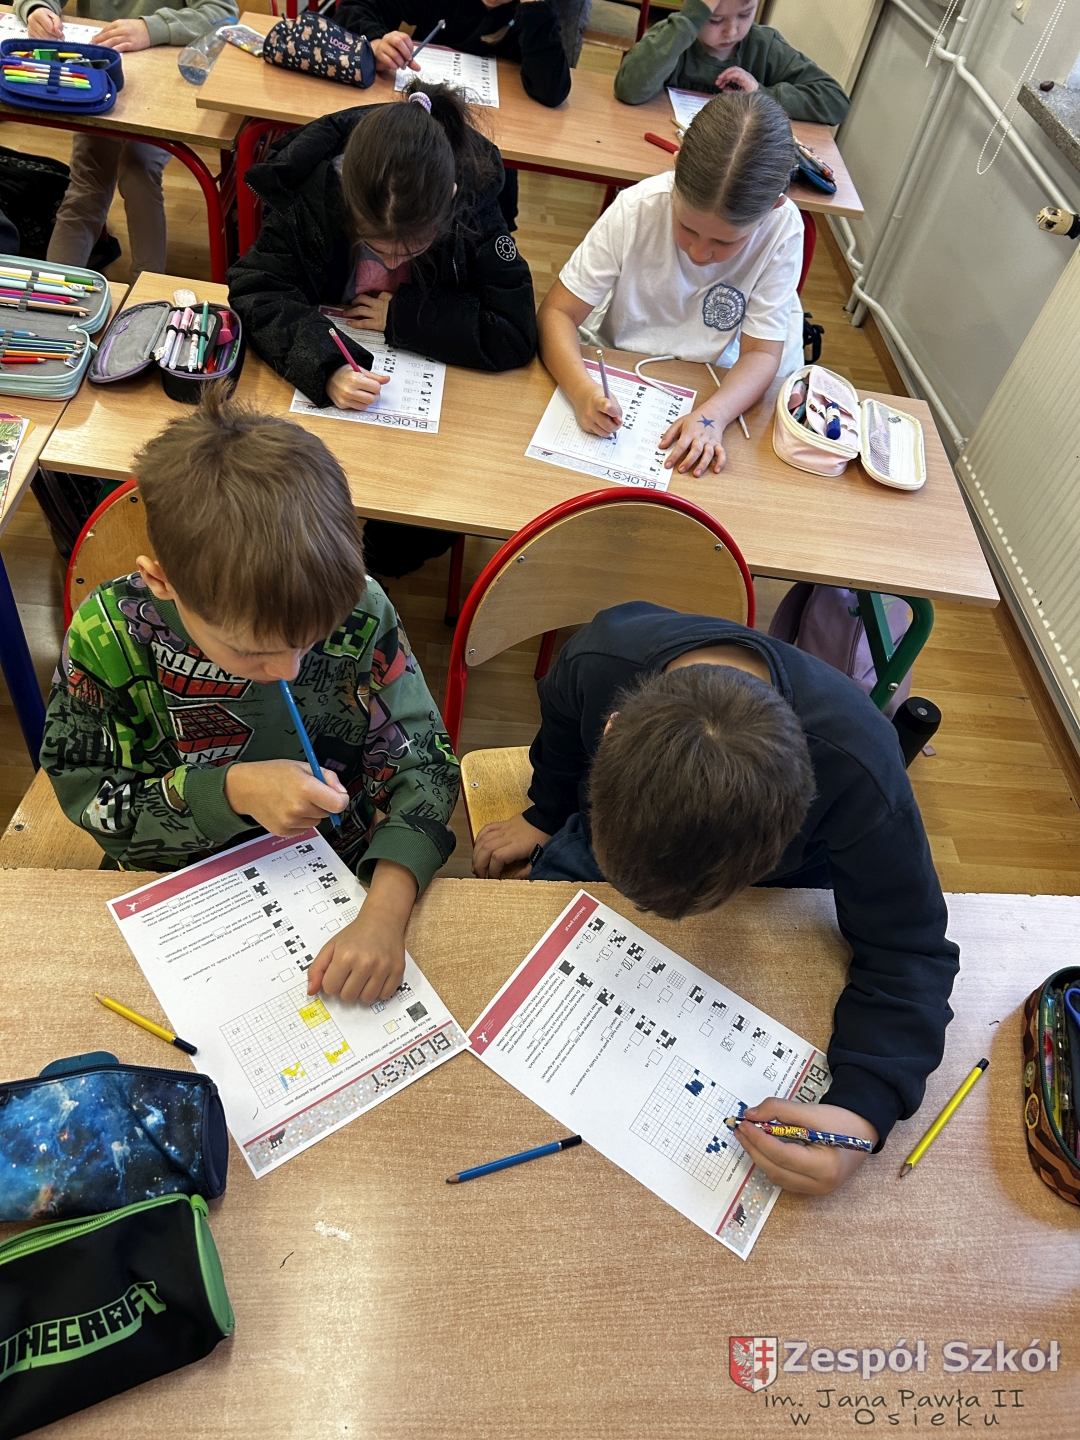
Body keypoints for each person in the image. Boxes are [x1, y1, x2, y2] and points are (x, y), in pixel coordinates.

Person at [470, 601, 960, 1195]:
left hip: (778, 895)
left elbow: (910, 951)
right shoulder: (600, 656)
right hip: (625, 838)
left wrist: (862, 1111)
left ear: (802, 814)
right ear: (610, 730)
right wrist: (546, 813)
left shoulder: (862, 769)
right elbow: (561, 721)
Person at [40, 389, 461, 1005]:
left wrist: (384, 912)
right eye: (251, 651)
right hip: (180, 890)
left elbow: (424, 765)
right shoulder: (109, 636)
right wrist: (232, 791)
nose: (288, 669)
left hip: (346, 877)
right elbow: (94, 799)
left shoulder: (361, 607)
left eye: (310, 641)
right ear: (162, 581)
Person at [228, 82, 537, 577]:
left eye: (411, 248)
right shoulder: (315, 189)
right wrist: (326, 365)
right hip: (322, 402)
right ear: (346, 198)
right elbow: (258, 288)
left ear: (450, 200)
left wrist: (405, 316)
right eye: (375, 244)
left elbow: (513, 330)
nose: (392, 261)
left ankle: (368, 577)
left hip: (433, 414)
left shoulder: (475, 202)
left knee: (428, 515)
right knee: (275, 501)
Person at [537, 90, 802, 480]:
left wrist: (713, 417)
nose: (699, 252)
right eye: (687, 228)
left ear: (773, 207)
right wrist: (581, 390)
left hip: (716, 380)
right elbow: (557, 312)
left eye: (725, 242)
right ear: (676, 170)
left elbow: (761, 353)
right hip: (623, 358)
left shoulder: (783, 229)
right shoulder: (637, 208)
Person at [16, 0, 239, 277]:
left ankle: (145, 292)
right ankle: (52, 293)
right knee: (87, 184)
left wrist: (152, 28)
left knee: (137, 168)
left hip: (163, 85)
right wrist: (37, 8)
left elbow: (223, 13)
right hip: (104, 83)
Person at [337, 0, 572, 228]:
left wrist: (535, 8)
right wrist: (376, 43)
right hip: (414, 139)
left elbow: (551, 91)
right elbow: (354, 8)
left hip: (487, 154)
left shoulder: (533, 11)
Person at [614, 0, 849, 124]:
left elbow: (835, 101)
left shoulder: (765, 45)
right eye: (715, 20)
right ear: (691, 9)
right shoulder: (672, 36)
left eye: (745, 15)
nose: (731, 31)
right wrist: (689, 22)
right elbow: (629, 90)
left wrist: (761, 94)